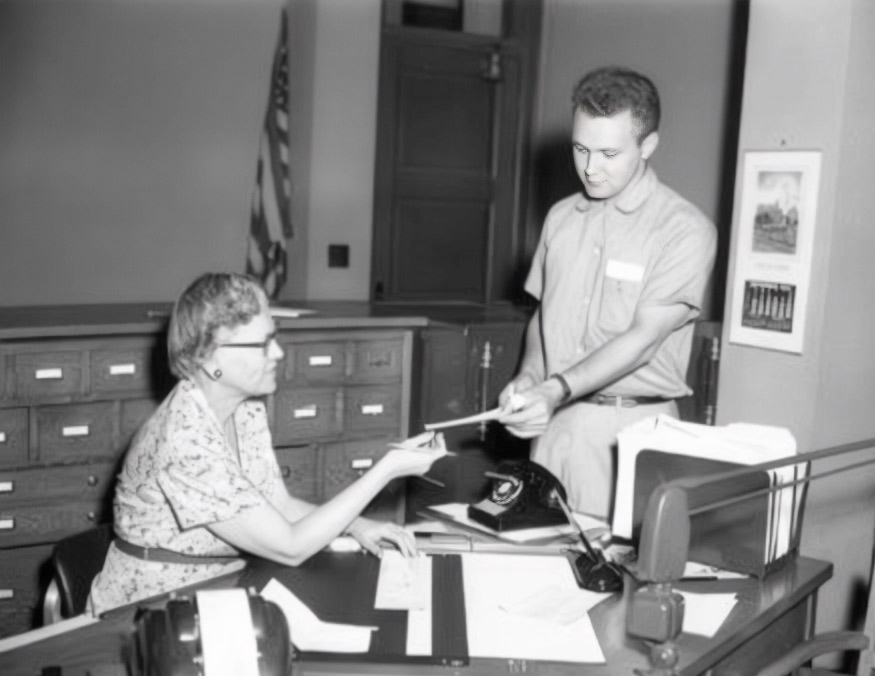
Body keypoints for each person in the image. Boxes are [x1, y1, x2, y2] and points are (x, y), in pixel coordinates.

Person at [88, 273, 445, 613]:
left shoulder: (245, 411)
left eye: (274, 337)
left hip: (220, 583)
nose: (277, 353)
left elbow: (278, 505)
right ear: (211, 357)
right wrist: (388, 469)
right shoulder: (184, 439)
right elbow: (290, 547)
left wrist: (358, 525)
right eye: (261, 344)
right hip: (151, 607)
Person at [498, 66, 717, 519]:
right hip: (556, 429)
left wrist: (555, 388)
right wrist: (529, 377)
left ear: (647, 146)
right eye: (580, 149)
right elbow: (544, 317)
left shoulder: (684, 230)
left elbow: (643, 340)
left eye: (608, 153)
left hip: (631, 435)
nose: (590, 168)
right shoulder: (561, 217)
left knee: (622, 584)